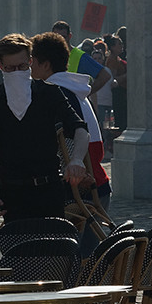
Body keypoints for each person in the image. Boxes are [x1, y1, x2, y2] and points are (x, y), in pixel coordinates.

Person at [0, 33, 88, 221]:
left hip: (49, 189)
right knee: (19, 248)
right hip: (11, 192)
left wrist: (77, 160)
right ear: (1, 67)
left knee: (53, 247)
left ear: (31, 62)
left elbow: (80, 129)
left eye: (22, 66)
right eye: (10, 68)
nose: (17, 72)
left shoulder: (49, 93)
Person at [34, 32, 112, 213]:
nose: (29, 68)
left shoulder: (57, 95)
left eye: (32, 62)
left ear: (45, 65)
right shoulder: (71, 90)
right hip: (95, 185)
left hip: (84, 192)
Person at [51, 20, 112, 97]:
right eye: (56, 38)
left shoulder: (80, 56)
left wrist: (85, 94)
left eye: (63, 37)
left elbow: (105, 76)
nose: (60, 41)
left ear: (69, 36)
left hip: (73, 105)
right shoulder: (49, 56)